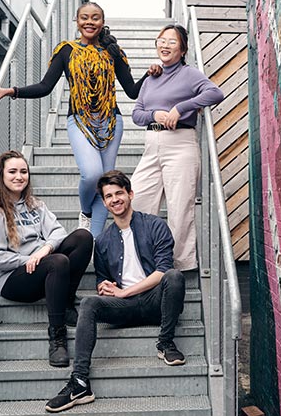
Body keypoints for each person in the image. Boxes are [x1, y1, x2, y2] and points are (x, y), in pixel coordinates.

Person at [0, 2, 162, 236]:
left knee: (106, 184)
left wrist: (150, 75)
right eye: (85, 18)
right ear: (77, 21)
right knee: (92, 174)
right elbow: (45, 86)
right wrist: (10, 91)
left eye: (95, 18)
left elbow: (132, 91)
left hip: (111, 123)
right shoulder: (66, 50)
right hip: (79, 121)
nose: (90, 22)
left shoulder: (113, 52)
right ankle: (86, 212)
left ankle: (94, 242)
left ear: (102, 22)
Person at [45, 170, 186, 413]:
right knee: (89, 303)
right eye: (108, 196)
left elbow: (163, 271)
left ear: (130, 194)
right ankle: (79, 382)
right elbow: (103, 280)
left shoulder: (155, 225)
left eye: (119, 193)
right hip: (125, 308)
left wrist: (125, 291)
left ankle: (166, 343)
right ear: (104, 202)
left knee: (174, 276)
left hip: (156, 303)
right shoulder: (103, 241)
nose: (114, 199)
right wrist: (106, 288)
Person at [0, 150, 92, 367]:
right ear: (0, 176)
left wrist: (44, 251)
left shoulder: (36, 205)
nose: (19, 176)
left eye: (23, 171)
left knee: (83, 237)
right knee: (58, 261)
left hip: (43, 266)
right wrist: (29, 260)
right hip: (14, 279)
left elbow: (58, 232)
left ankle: (66, 301)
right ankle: (57, 337)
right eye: (12, 171)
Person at [131, 24, 225, 271]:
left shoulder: (190, 74)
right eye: (161, 40)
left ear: (182, 50)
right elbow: (137, 114)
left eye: (172, 42)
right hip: (152, 145)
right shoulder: (151, 78)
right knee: (138, 199)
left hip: (180, 144)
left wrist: (180, 108)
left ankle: (179, 265)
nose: (165, 45)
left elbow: (215, 93)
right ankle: (145, 259)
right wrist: (156, 114)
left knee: (179, 207)